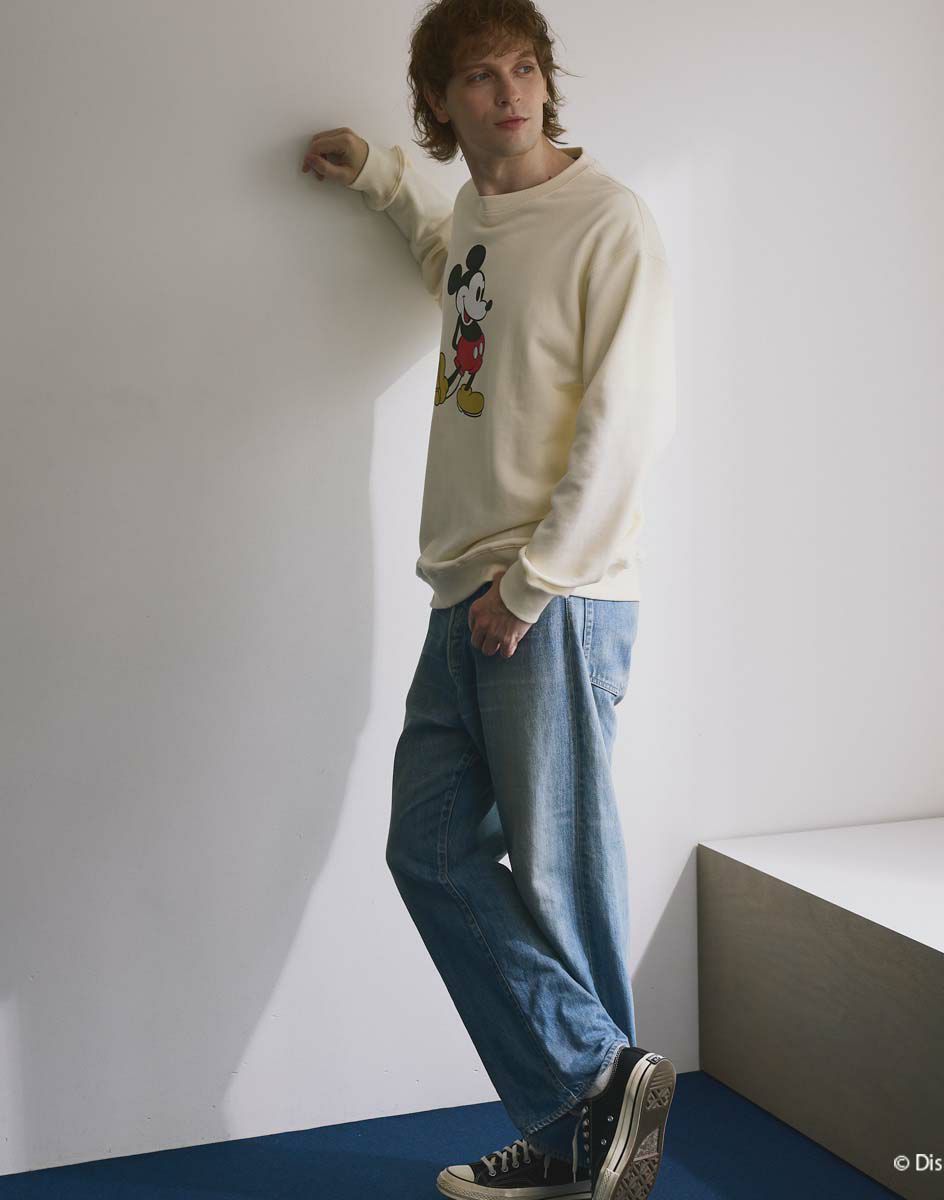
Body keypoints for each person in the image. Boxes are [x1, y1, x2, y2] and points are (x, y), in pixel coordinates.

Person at [301, 1, 677, 1195]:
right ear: (440, 103)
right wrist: (379, 181)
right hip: (466, 588)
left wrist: (533, 583)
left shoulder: (608, 221)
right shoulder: (478, 210)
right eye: (478, 77)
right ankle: (594, 1096)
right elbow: (454, 269)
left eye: (523, 68)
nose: (509, 93)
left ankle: (585, 1139)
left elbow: (625, 427)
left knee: (559, 876)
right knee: (427, 849)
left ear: (546, 81)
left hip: (549, 595)